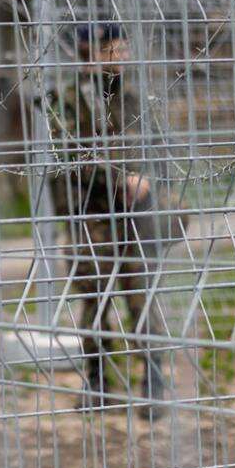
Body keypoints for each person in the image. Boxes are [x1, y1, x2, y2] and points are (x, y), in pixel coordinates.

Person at [43, 23, 183, 411]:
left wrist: (151, 180)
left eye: (124, 50)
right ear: (88, 52)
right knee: (94, 302)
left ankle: (153, 384)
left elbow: (160, 150)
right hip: (90, 216)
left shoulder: (135, 100)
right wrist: (122, 177)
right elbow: (71, 159)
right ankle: (99, 384)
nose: (121, 58)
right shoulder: (66, 102)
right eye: (112, 51)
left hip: (136, 216)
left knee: (142, 299)